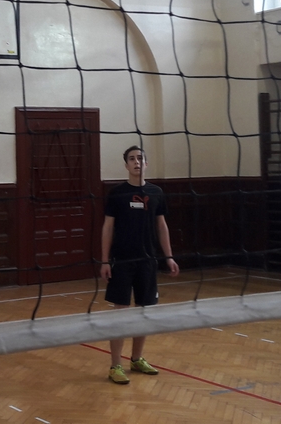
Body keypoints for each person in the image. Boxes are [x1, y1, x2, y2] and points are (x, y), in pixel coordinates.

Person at [100, 145, 179, 385]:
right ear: (126, 165)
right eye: (132, 159)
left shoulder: (156, 192)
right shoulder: (117, 193)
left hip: (148, 261)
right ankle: (115, 365)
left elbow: (162, 226)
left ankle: (136, 359)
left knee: (145, 311)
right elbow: (108, 227)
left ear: (146, 163)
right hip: (122, 261)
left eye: (140, 158)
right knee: (121, 312)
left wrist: (169, 256)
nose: (136, 162)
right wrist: (105, 260)